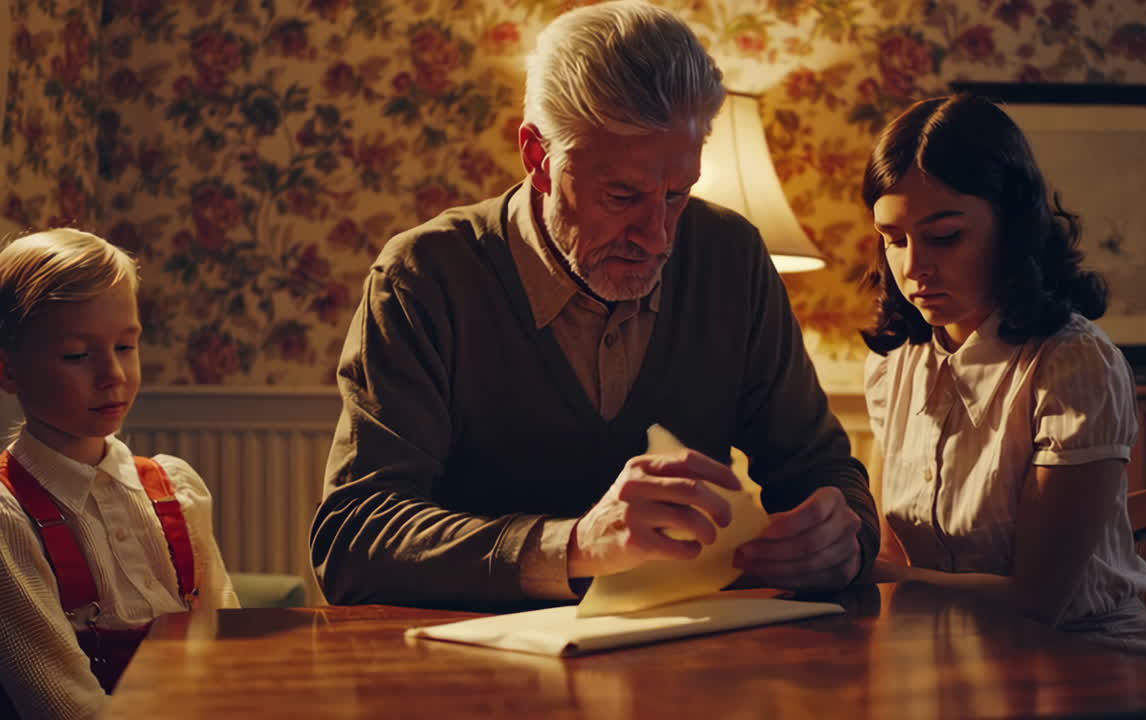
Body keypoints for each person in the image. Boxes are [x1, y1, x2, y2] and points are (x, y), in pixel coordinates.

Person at [311, 0, 879, 611]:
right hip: (471, 681)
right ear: (538, 158)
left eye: (677, 195)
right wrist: (576, 547)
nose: (658, 236)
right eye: (622, 195)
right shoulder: (423, 278)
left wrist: (840, 536)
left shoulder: (731, 256)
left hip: (686, 663)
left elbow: (823, 472)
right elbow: (352, 539)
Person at [860, 94, 1146, 670]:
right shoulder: (894, 363)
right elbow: (892, 557)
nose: (912, 268)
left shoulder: (1073, 363)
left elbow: (1037, 604)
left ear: (1010, 227)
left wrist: (854, 569)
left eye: (945, 236)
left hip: (1087, 662)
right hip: (949, 659)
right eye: (894, 238)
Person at [0, 229, 239, 720]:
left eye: (126, 346)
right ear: (8, 371)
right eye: (76, 355)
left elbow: (233, 651)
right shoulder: (9, 517)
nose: (114, 374)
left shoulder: (177, 489)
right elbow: (68, 709)